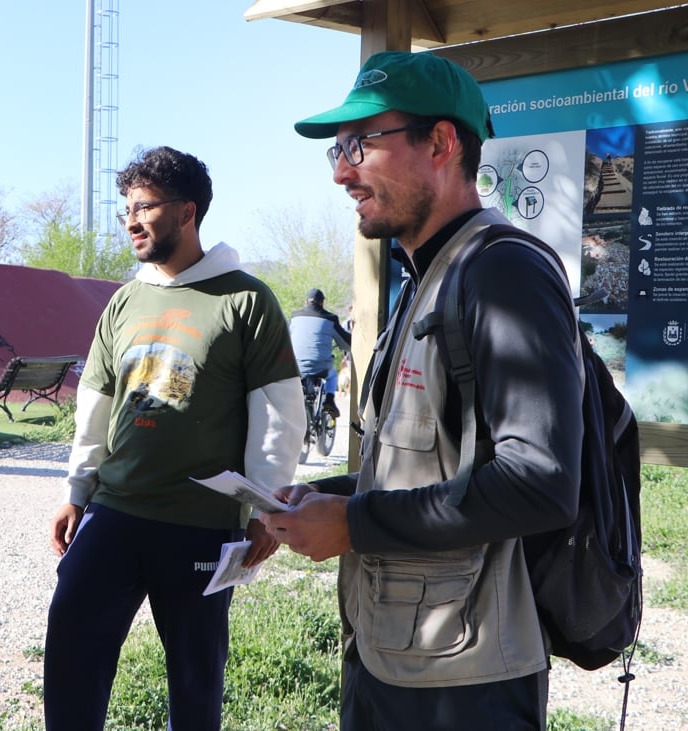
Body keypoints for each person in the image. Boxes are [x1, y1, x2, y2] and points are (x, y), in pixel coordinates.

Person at [263, 51, 584, 730]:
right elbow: (430, 464)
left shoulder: (503, 272)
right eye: (337, 151)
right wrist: (332, 496)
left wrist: (352, 524)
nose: (342, 171)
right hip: (392, 658)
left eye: (360, 144)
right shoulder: (426, 277)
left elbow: (540, 482)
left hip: (464, 686)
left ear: (441, 143)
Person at [43, 146, 306, 730]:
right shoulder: (124, 301)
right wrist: (76, 490)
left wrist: (265, 508)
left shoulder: (246, 299)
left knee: (194, 677)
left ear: (187, 211)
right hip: (115, 511)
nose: (131, 220)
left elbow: (279, 414)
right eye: (125, 210)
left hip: (201, 524)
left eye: (144, 207)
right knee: (70, 648)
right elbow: (97, 404)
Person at [288, 287, 352, 417]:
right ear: (322, 303)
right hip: (320, 367)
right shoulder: (330, 319)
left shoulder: (294, 318)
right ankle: (329, 400)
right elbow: (347, 344)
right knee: (333, 375)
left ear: (306, 302)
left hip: (297, 367)